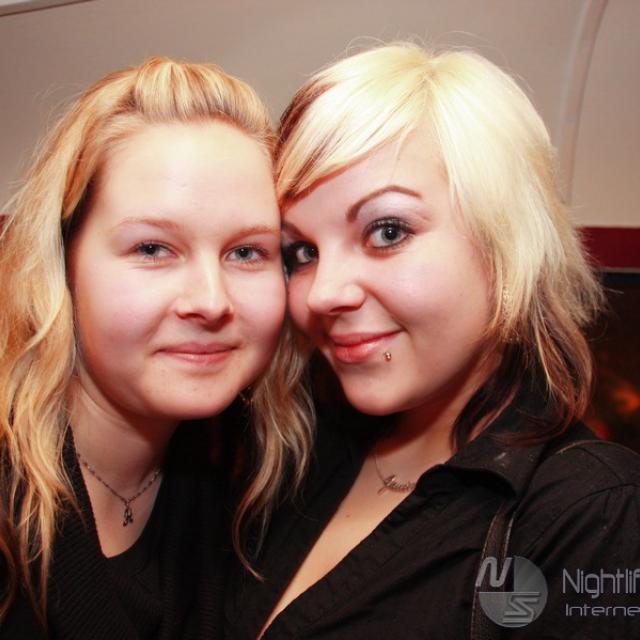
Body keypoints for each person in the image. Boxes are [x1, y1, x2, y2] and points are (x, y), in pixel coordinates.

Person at [226, 43, 640, 639]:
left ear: (504, 242)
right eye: (302, 252)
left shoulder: (591, 511)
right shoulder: (291, 455)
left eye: (386, 231)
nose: (322, 294)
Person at [0, 57, 311, 639]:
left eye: (247, 252)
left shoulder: (248, 470)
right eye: (152, 249)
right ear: (62, 265)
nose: (211, 301)